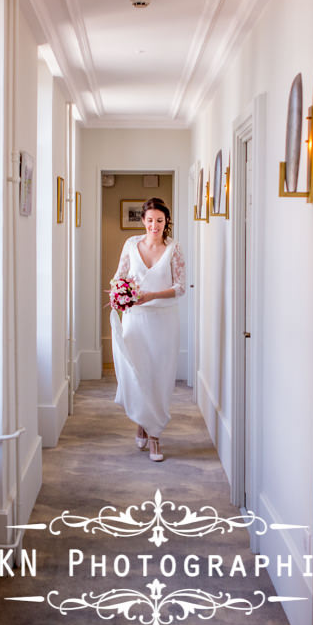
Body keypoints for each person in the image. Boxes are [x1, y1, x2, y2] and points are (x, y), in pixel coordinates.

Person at [110, 197, 186, 462]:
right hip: (135, 320)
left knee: (159, 376)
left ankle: (154, 435)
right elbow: (119, 276)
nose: (155, 225)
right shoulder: (131, 245)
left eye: (160, 221)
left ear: (166, 222)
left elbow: (180, 287)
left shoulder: (174, 249)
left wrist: (151, 295)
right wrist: (118, 292)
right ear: (143, 220)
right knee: (138, 373)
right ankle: (143, 422)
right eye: (150, 220)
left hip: (164, 322)